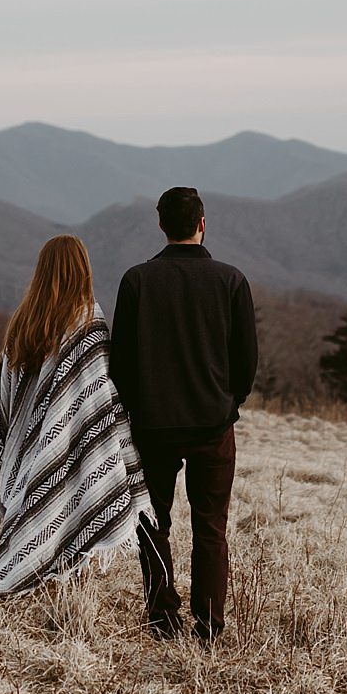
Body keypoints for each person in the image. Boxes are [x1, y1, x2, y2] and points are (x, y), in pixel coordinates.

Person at [0, 235, 153, 600]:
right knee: (74, 504)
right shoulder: (89, 321)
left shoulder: (24, 319)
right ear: (82, 270)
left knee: (31, 502)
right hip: (77, 441)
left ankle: (31, 573)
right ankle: (64, 582)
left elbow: (4, 396)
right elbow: (101, 391)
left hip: (23, 449)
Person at [109, 186, 258, 639]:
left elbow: (121, 363)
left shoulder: (137, 280)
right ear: (202, 223)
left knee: (153, 522)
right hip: (213, 424)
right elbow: (246, 359)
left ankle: (162, 616)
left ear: (161, 226)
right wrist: (229, 404)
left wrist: (139, 409)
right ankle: (209, 625)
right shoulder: (231, 281)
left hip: (152, 426)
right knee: (210, 527)